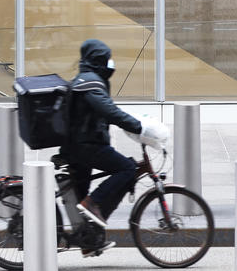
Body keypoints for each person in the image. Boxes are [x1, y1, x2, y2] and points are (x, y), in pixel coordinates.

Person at [60, 39, 168, 255]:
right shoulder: (90, 82)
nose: (110, 63)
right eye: (106, 58)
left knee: (80, 196)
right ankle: (94, 205)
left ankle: (89, 241)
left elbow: (107, 111)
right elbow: (109, 111)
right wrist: (138, 127)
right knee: (126, 169)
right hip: (86, 146)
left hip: (79, 145)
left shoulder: (88, 79)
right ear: (98, 60)